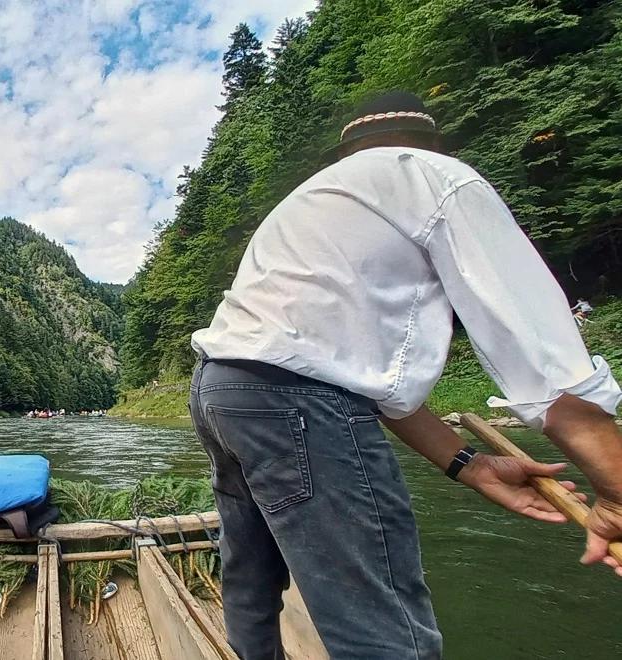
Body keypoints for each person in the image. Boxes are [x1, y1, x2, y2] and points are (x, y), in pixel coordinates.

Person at [188, 91, 622, 660]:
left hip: (220, 391)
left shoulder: (311, 201)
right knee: (384, 630)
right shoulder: (440, 179)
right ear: (428, 143)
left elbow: (372, 384)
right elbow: (546, 366)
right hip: (293, 402)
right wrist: (614, 494)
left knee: (250, 570)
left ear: (350, 149)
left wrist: (470, 464)